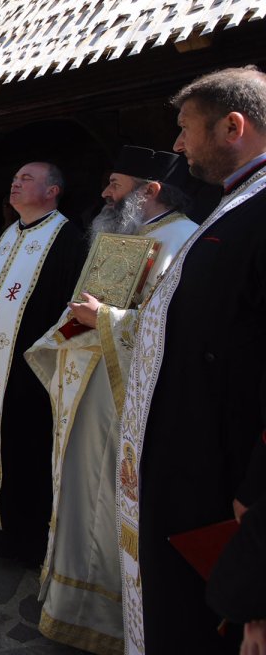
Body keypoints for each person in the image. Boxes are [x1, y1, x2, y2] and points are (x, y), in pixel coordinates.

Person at [25, 146, 196, 654]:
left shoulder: (181, 241)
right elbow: (88, 305)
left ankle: (104, 617)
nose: (104, 194)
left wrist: (104, 318)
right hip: (87, 391)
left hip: (128, 404)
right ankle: (67, 601)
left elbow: (171, 332)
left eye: (115, 184)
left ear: (151, 190)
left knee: (108, 500)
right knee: (77, 491)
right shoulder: (123, 238)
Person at [119, 67, 266, 655]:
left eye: (185, 129)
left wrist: (256, 492)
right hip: (191, 466)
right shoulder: (234, 206)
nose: (177, 146)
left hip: (224, 483)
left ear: (233, 126)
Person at [0, 161, 85, 564]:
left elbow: (69, 311)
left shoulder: (67, 239)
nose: (15, 183)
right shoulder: (9, 233)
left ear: (53, 191)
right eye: (13, 178)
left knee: (22, 444)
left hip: (27, 369)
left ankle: (20, 537)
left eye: (26, 179)